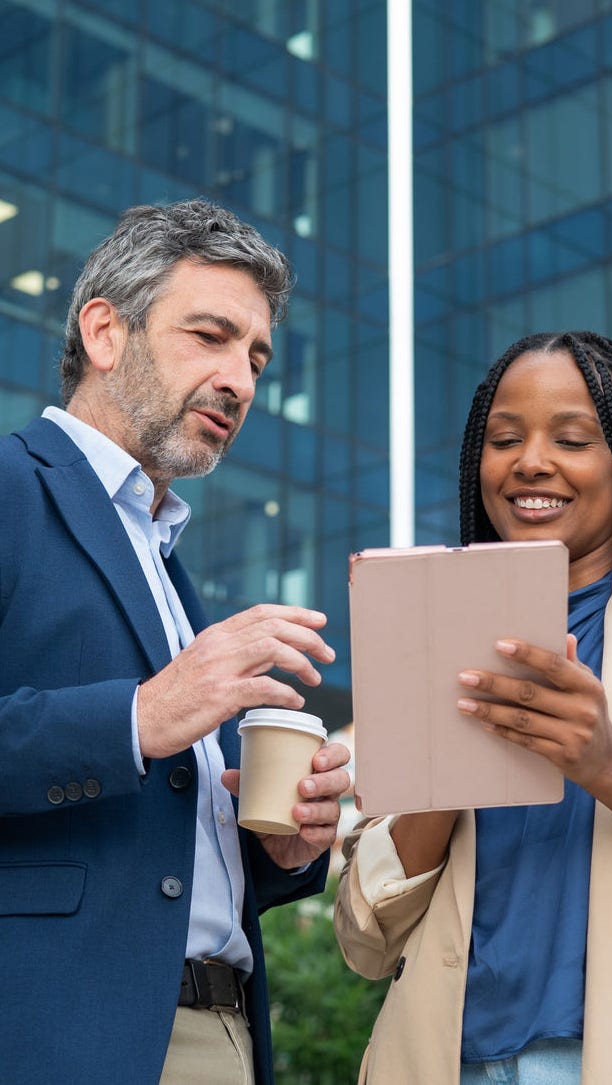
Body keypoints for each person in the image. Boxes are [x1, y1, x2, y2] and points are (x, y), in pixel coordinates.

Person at [0, 198, 351, 1085]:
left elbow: (176, 851)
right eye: (211, 335)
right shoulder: (9, 486)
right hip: (54, 1033)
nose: (241, 379)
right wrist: (142, 715)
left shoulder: (170, 568)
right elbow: (138, 731)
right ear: (106, 331)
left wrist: (280, 845)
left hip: (224, 1033)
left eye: (257, 357)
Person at [334, 330, 612, 1085]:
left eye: (574, 438)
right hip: (442, 1060)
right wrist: (444, 762)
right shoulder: (430, 628)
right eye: (504, 438)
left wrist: (605, 761)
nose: (529, 461)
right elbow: (364, 937)